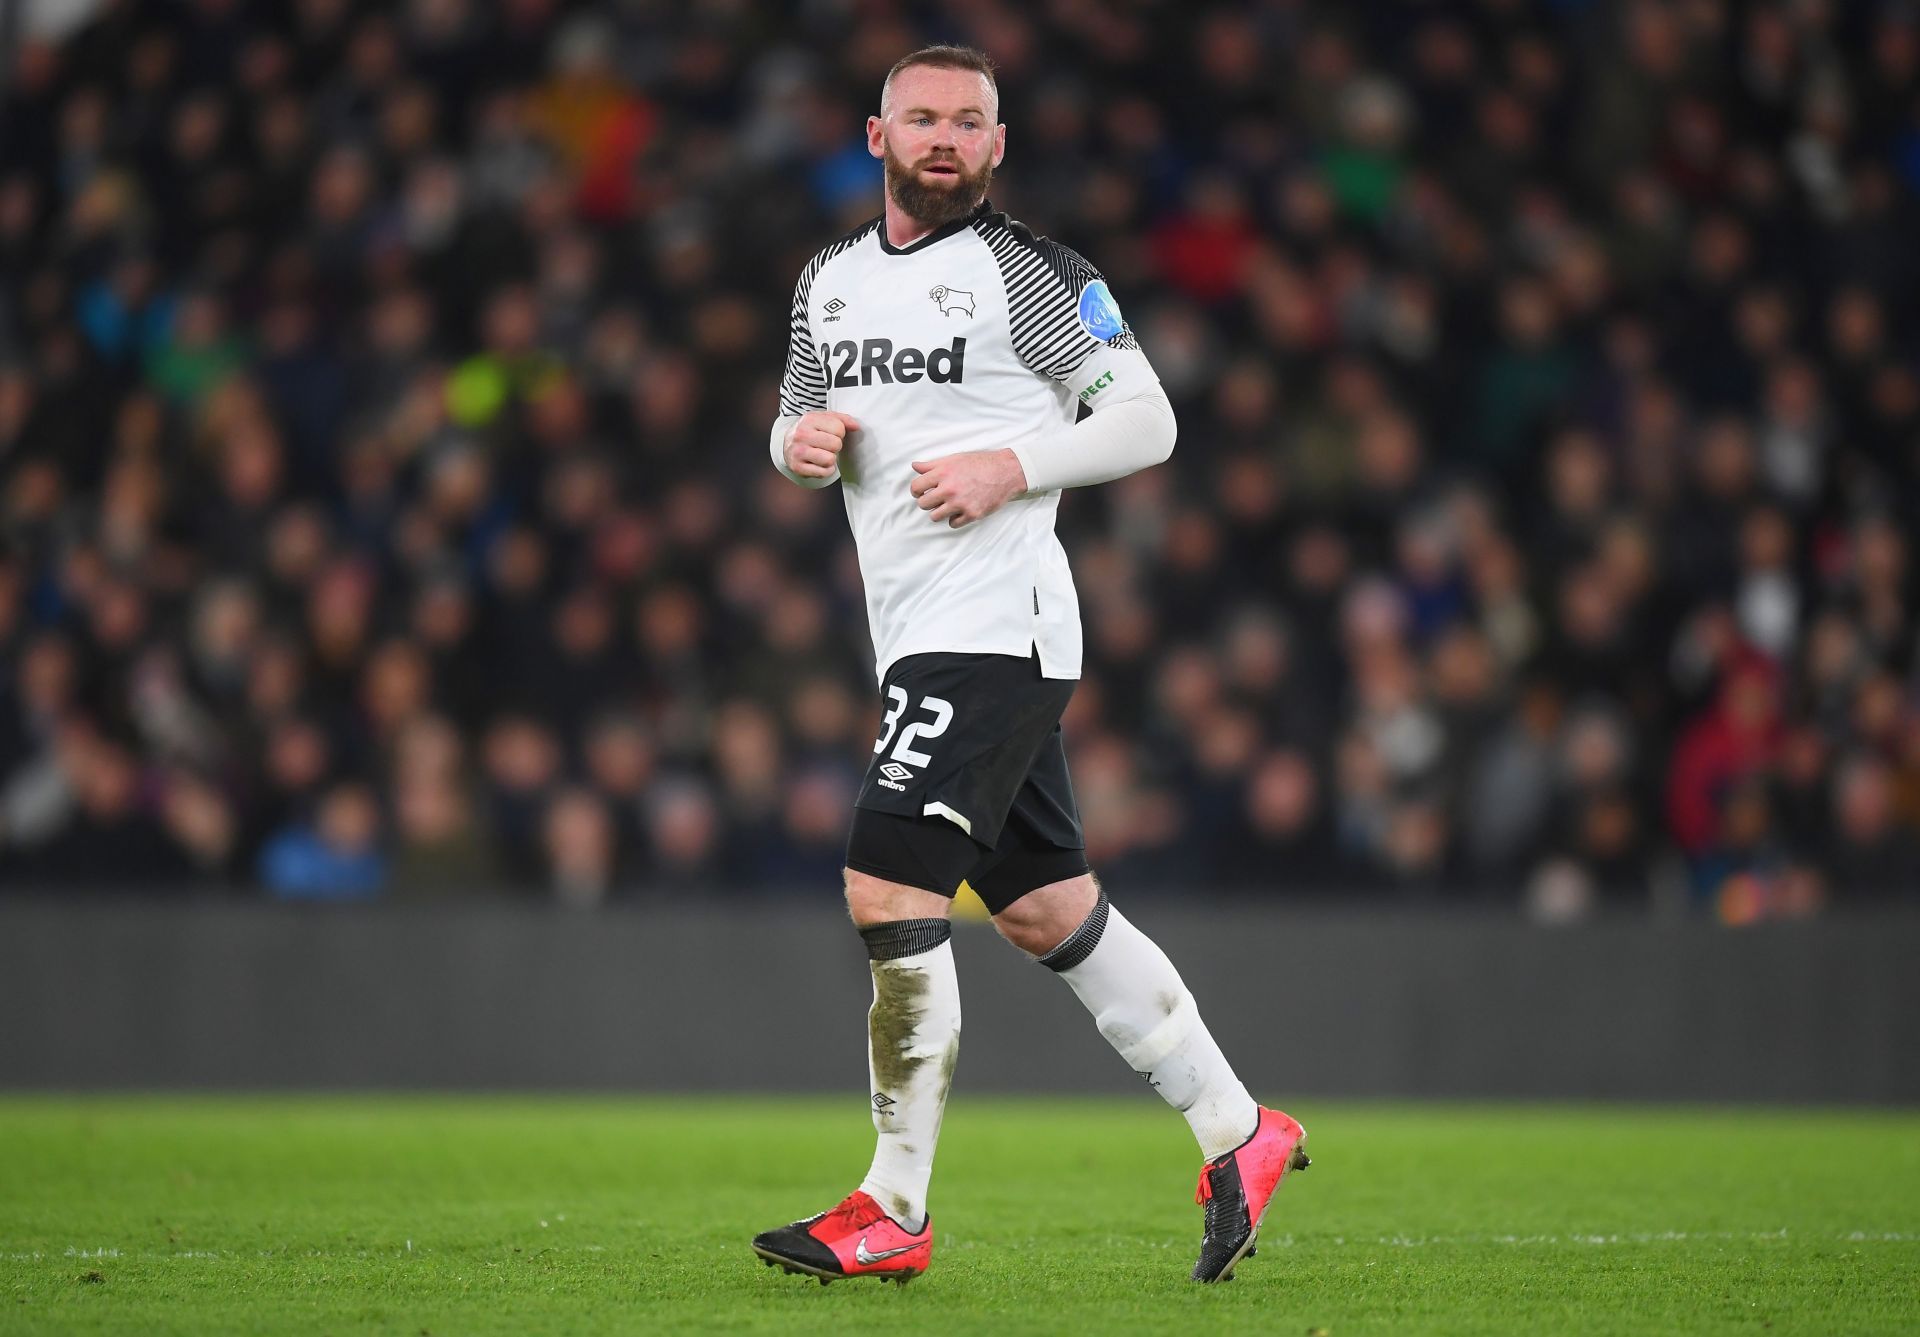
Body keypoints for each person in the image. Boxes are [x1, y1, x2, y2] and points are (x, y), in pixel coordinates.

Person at [750, 45, 1308, 1287]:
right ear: (877, 135)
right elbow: (795, 421)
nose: (943, 137)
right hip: (915, 630)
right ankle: (1241, 1128)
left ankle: (893, 1205)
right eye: (921, 118)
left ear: (998, 145)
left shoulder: (1035, 275)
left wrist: (1015, 465)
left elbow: (1147, 416)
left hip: (996, 624)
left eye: (968, 121)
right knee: (1045, 909)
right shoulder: (828, 282)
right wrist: (800, 442)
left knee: (887, 890)